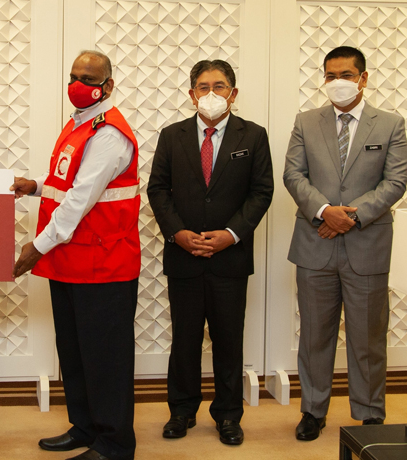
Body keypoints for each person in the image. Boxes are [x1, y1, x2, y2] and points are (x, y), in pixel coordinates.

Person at [12, 50, 140, 460]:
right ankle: (85, 427)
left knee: (105, 359)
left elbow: (78, 202)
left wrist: (36, 247)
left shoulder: (109, 133)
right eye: (74, 76)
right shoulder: (78, 124)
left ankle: (115, 443)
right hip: (72, 262)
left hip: (104, 264)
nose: (78, 84)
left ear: (108, 86)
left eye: (89, 77)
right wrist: (33, 186)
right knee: (75, 352)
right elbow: (64, 186)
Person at [147, 60, 273, 446]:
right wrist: (178, 233)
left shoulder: (253, 135)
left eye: (220, 86)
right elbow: (158, 189)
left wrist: (231, 234)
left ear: (233, 94)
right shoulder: (172, 135)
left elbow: (261, 192)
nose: (212, 94)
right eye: (203, 87)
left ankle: (228, 416)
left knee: (228, 339)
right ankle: (181, 411)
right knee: (184, 339)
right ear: (191, 94)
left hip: (230, 258)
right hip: (184, 255)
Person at [284, 46, 407, 440]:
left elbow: (396, 182)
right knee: (315, 334)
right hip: (314, 243)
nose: (338, 82)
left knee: (368, 335)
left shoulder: (390, 124)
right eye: (331, 75)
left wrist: (347, 216)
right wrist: (324, 211)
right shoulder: (306, 121)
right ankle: (313, 411)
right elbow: (293, 175)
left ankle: (369, 412)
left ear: (364, 78)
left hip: (366, 244)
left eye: (347, 75)